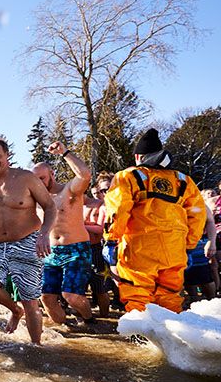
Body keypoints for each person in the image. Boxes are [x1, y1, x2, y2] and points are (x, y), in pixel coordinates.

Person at [103, 128, 205, 313]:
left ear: (138, 157)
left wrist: (110, 240)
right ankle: (172, 335)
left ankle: (141, 336)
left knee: (137, 294)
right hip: (174, 249)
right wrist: (189, 247)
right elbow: (198, 216)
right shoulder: (184, 181)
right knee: (170, 296)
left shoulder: (128, 176)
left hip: (139, 248)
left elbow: (118, 209)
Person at [0, 136, 55, 344]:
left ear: (7, 155)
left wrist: (44, 233)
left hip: (28, 241)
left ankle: (37, 347)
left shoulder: (26, 179)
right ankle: (15, 311)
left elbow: (50, 206)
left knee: (30, 300)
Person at [32, 143, 95, 327]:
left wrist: (64, 153)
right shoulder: (37, 201)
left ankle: (90, 321)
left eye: (42, 178)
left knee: (72, 296)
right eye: (35, 180)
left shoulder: (69, 191)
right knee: (46, 298)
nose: (39, 183)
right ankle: (66, 335)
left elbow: (85, 174)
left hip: (77, 249)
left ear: (52, 174)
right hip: (51, 253)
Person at [84, 176, 112, 318]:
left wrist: (80, 225)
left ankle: (105, 318)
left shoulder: (100, 205)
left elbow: (101, 229)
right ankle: (87, 321)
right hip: (77, 250)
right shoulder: (70, 206)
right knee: (77, 291)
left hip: (96, 249)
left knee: (100, 289)